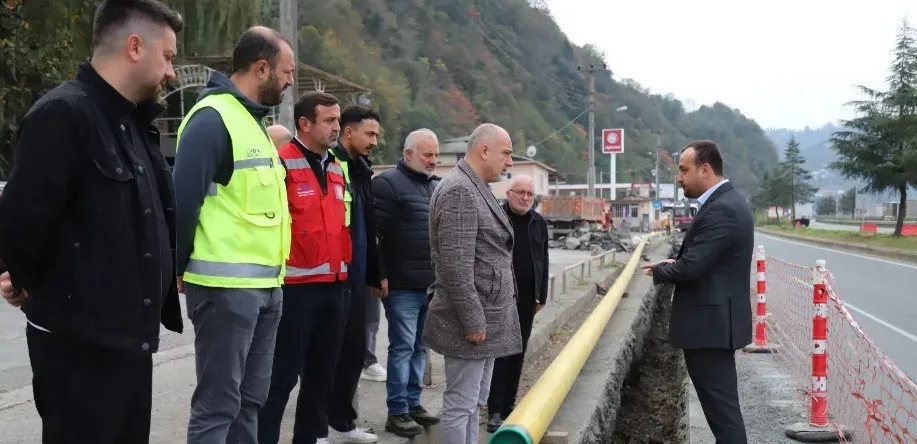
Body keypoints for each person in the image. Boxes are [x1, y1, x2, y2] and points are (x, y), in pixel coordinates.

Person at [0, 1, 184, 442]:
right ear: (135, 47)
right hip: (80, 351)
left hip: (129, 344)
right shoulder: (64, 114)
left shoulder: (133, 123)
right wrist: (22, 280)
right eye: (169, 56)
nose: (172, 72)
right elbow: (23, 219)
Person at [171, 26, 294, 443]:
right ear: (261, 68)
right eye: (286, 70)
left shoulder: (251, 121)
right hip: (225, 291)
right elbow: (183, 203)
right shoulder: (212, 120)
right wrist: (176, 268)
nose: (290, 79)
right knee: (218, 405)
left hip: (266, 288)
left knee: (251, 401)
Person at [642, 140, 753, 444]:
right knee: (722, 415)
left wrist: (662, 270)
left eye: (683, 170)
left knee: (724, 418)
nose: (678, 178)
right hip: (713, 327)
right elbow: (703, 260)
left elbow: (693, 266)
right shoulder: (724, 204)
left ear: (705, 170)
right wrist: (676, 262)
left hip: (710, 331)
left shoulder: (723, 209)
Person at [258, 91, 350, 444]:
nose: (336, 127)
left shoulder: (336, 167)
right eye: (329, 120)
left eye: (338, 119)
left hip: (334, 286)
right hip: (295, 290)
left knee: (322, 376)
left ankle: (307, 439)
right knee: (281, 377)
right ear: (305, 124)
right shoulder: (279, 163)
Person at [424, 123, 521, 444]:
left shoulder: (472, 185)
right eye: (506, 153)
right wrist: (473, 320)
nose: (509, 162)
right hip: (471, 321)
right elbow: (455, 266)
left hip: (485, 316)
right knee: (460, 404)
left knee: (472, 403)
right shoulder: (459, 191)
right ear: (484, 150)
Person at [372, 128, 442, 437]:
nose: (433, 161)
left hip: (429, 286)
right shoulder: (387, 185)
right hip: (400, 285)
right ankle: (397, 411)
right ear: (408, 154)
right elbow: (374, 237)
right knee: (402, 348)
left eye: (436, 155)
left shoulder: (434, 188)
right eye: (428, 155)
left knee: (420, 347)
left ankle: (413, 404)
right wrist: (380, 274)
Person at [326, 104, 385, 444]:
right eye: (369, 133)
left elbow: (369, 225)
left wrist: (378, 274)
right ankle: (319, 426)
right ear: (348, 132)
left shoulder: (362, 170)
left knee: (353, 355)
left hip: (358, 277)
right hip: (333, 276)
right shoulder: (331, 164)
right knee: (326, 357)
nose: (374, 141)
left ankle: (343, 425)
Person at [486, 175, 549, 433]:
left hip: (526, 298)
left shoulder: (538, 222)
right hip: (500, 296)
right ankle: (495, 410)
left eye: (529, 194)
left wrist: (541, 296)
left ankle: (509, 404)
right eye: (520, 192)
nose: (524, 197)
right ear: (509, 193)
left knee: (518, 350)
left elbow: (543, 258)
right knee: (499, 352)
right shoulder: (496, 218)